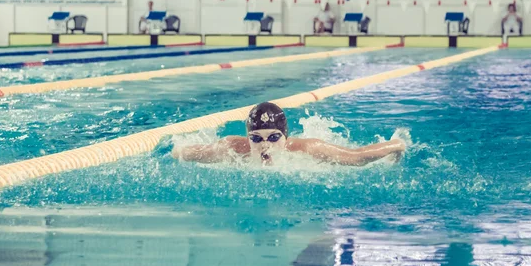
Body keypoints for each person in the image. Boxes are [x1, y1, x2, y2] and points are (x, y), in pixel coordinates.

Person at [171, 102, 406, 166]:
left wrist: (395, 145)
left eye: (273, 138)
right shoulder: (233, 148)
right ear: (248, 138)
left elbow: (356, 157)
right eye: (256, 138)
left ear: (284, 137)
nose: (265, 146)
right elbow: (186, 152)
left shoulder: (307, 149)